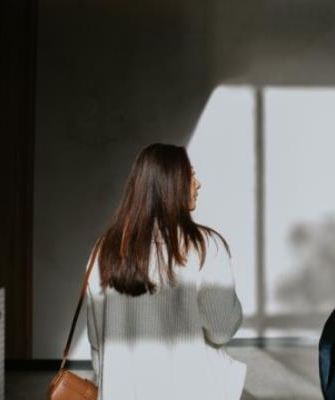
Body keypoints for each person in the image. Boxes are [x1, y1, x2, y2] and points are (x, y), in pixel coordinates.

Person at [86, 143, 246, 400]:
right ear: (172, 184)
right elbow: (222, 330)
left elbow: (98, 342)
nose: (199, 183)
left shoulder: (103, 250)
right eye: (191, 174)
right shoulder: (204, 247)